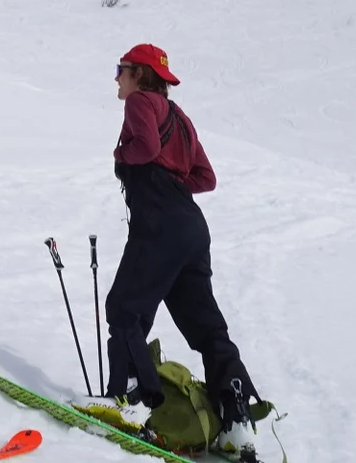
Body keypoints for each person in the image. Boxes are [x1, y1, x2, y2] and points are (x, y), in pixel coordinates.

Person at [99, 44, 264, 458]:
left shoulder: (140, 101)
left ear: (139, 74)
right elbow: (205, 177)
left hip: (158, 222)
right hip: (191, 228)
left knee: (124, 308)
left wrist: (121, 155)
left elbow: (147, 149)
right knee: (206, 326)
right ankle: (236, 418)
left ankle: (129, 401)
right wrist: (174, 188)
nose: (116, 77)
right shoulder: (182, 119)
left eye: (121, 69)